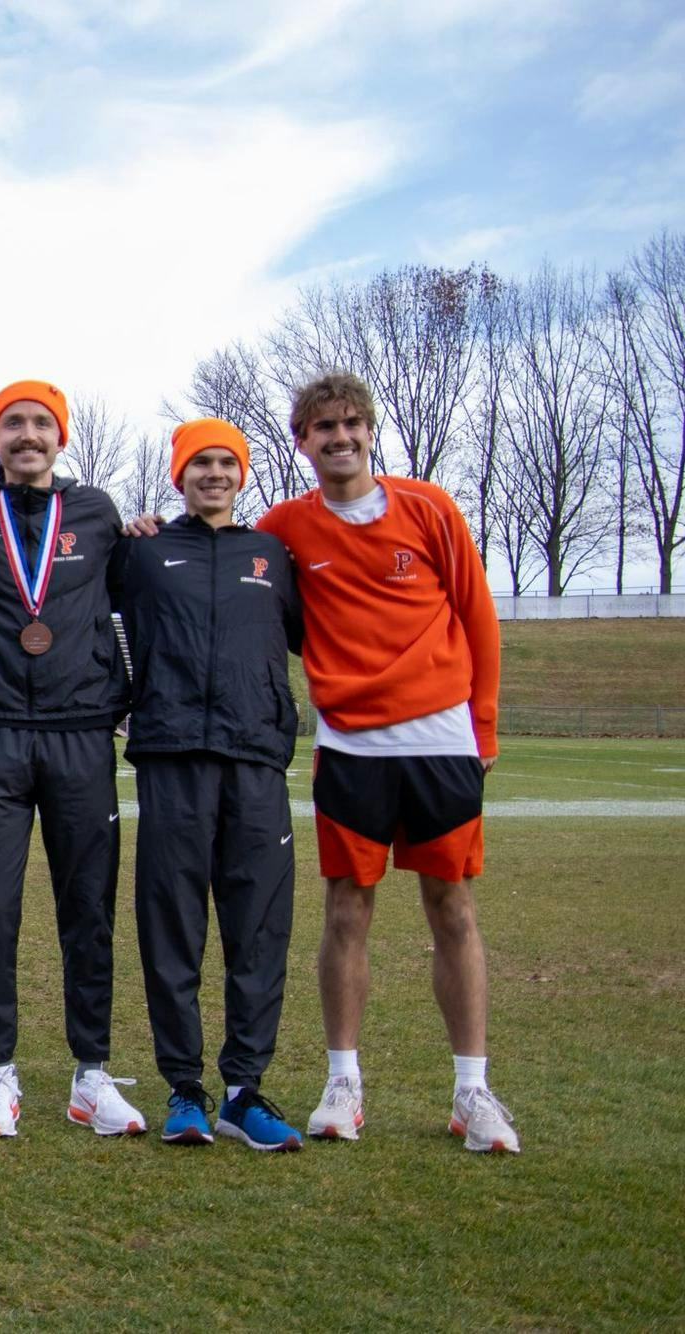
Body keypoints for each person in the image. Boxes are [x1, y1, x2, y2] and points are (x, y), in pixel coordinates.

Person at [254, 372, 518, 1154]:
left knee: (453, 907)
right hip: (350, 748)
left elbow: (477, 615)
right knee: (346, 910)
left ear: (370, 431)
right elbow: (235, 568)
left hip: (441, 742)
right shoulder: (285, 527)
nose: (340, 437)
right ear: (301, 442)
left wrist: (484, 727)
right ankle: (344, 1084)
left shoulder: (429, 507)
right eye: (323, 427)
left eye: (352, 424)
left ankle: (472, 1091)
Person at [0, 379, 145, 1138]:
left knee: (88, 908)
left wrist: (153, 531)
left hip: (80, 733)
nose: (27, 434)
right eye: (13, 423)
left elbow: (137, 592)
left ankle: (91, 1075)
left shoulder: (98, 513)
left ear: (60, 437)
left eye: (40, 423)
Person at [112, 418, 306, 1151]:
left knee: (257, 930)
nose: (214, 473)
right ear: (180, 475)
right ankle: (185, 1089)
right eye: (200, 463)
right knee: (172, 929)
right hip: (172, 758)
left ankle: (244, 1090)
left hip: (255, 759)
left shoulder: (272, 555)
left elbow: (315, 632)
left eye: (227, 462)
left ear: (242, 473)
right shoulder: (145, 552)